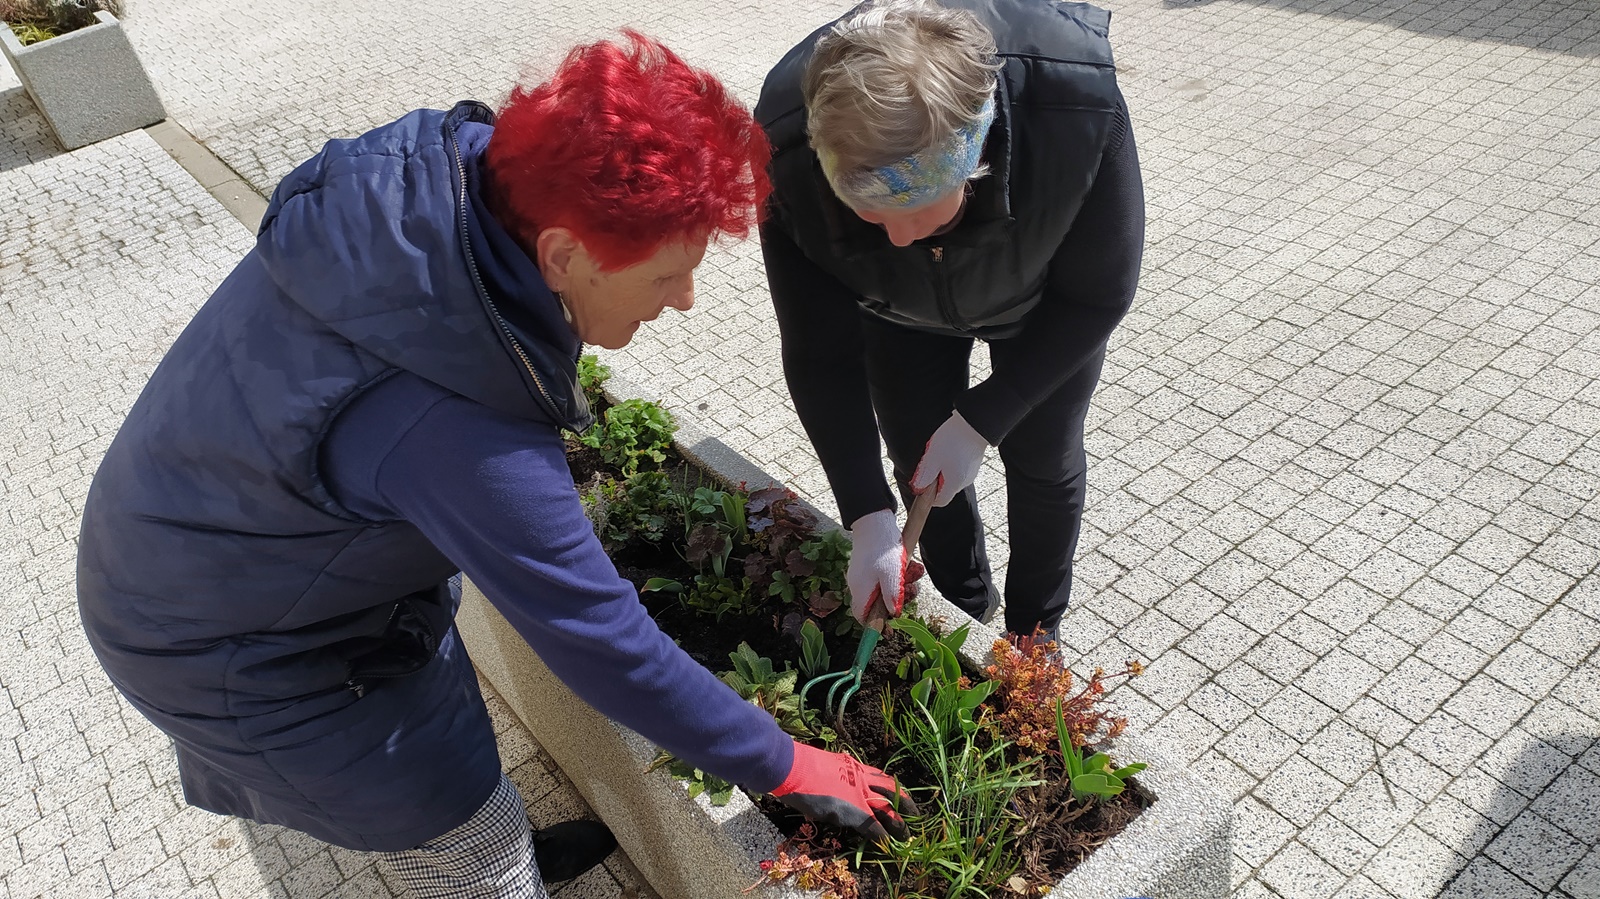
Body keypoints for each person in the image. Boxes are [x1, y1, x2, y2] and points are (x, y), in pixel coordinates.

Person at [76, 33, 914, 899]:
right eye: (668, 274)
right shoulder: (451, 423)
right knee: (447, 819)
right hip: (225, 644)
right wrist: (785, 763)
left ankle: (493, 833)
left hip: (210, 538)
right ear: (562, 256)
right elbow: (601, 638)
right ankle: (485, 864)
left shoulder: (457, 205)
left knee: (446, 729)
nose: (686, 301)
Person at [755, 0, 1144, 643]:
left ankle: (1033, 633)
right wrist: (866, 514)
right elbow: (819, 350)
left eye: (923, 213)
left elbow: (1099, 295)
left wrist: (983, 418)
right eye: (871, 218)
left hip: (1045, 307)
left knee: (1042, 456)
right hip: (896, 309)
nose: (900, 239)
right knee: (917, 457)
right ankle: (961, 605)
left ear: (975, 159)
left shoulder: (1072, 103)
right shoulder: (785, 148)